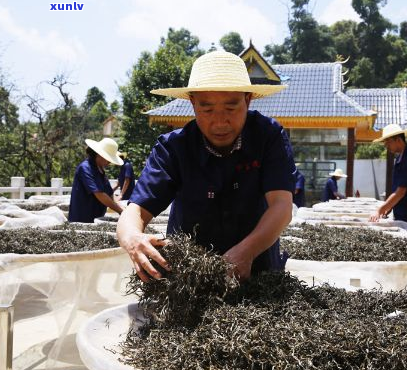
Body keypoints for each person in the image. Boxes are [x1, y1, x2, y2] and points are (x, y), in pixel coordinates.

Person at [117, 50, 294, 282]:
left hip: (257, 269)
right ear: (192, 103)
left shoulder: (268, 137)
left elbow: (282, 207)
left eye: (231, 108)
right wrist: (131, 237)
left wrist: (245, 252)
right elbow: (135, 211)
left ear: (247, 99)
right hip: (188, 279)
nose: (220, 121)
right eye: (207, 109)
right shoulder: (173, 148)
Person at [368, 124, 407, 237]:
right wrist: (389, 207)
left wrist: (380, 210)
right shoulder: (401, 157)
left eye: (388, 142)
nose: (386, 145)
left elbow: (400, 192)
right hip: (404, 212)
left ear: (398, 140)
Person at [68, 138, 124, 223]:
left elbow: (109, 194)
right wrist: (120, 211)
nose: (109, 162)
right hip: (81, 220)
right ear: (99, 154)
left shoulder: (100, 170)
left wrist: (123, 207)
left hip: (96, 218)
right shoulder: (85, 168)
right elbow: (99, 194)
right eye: (108, 158)